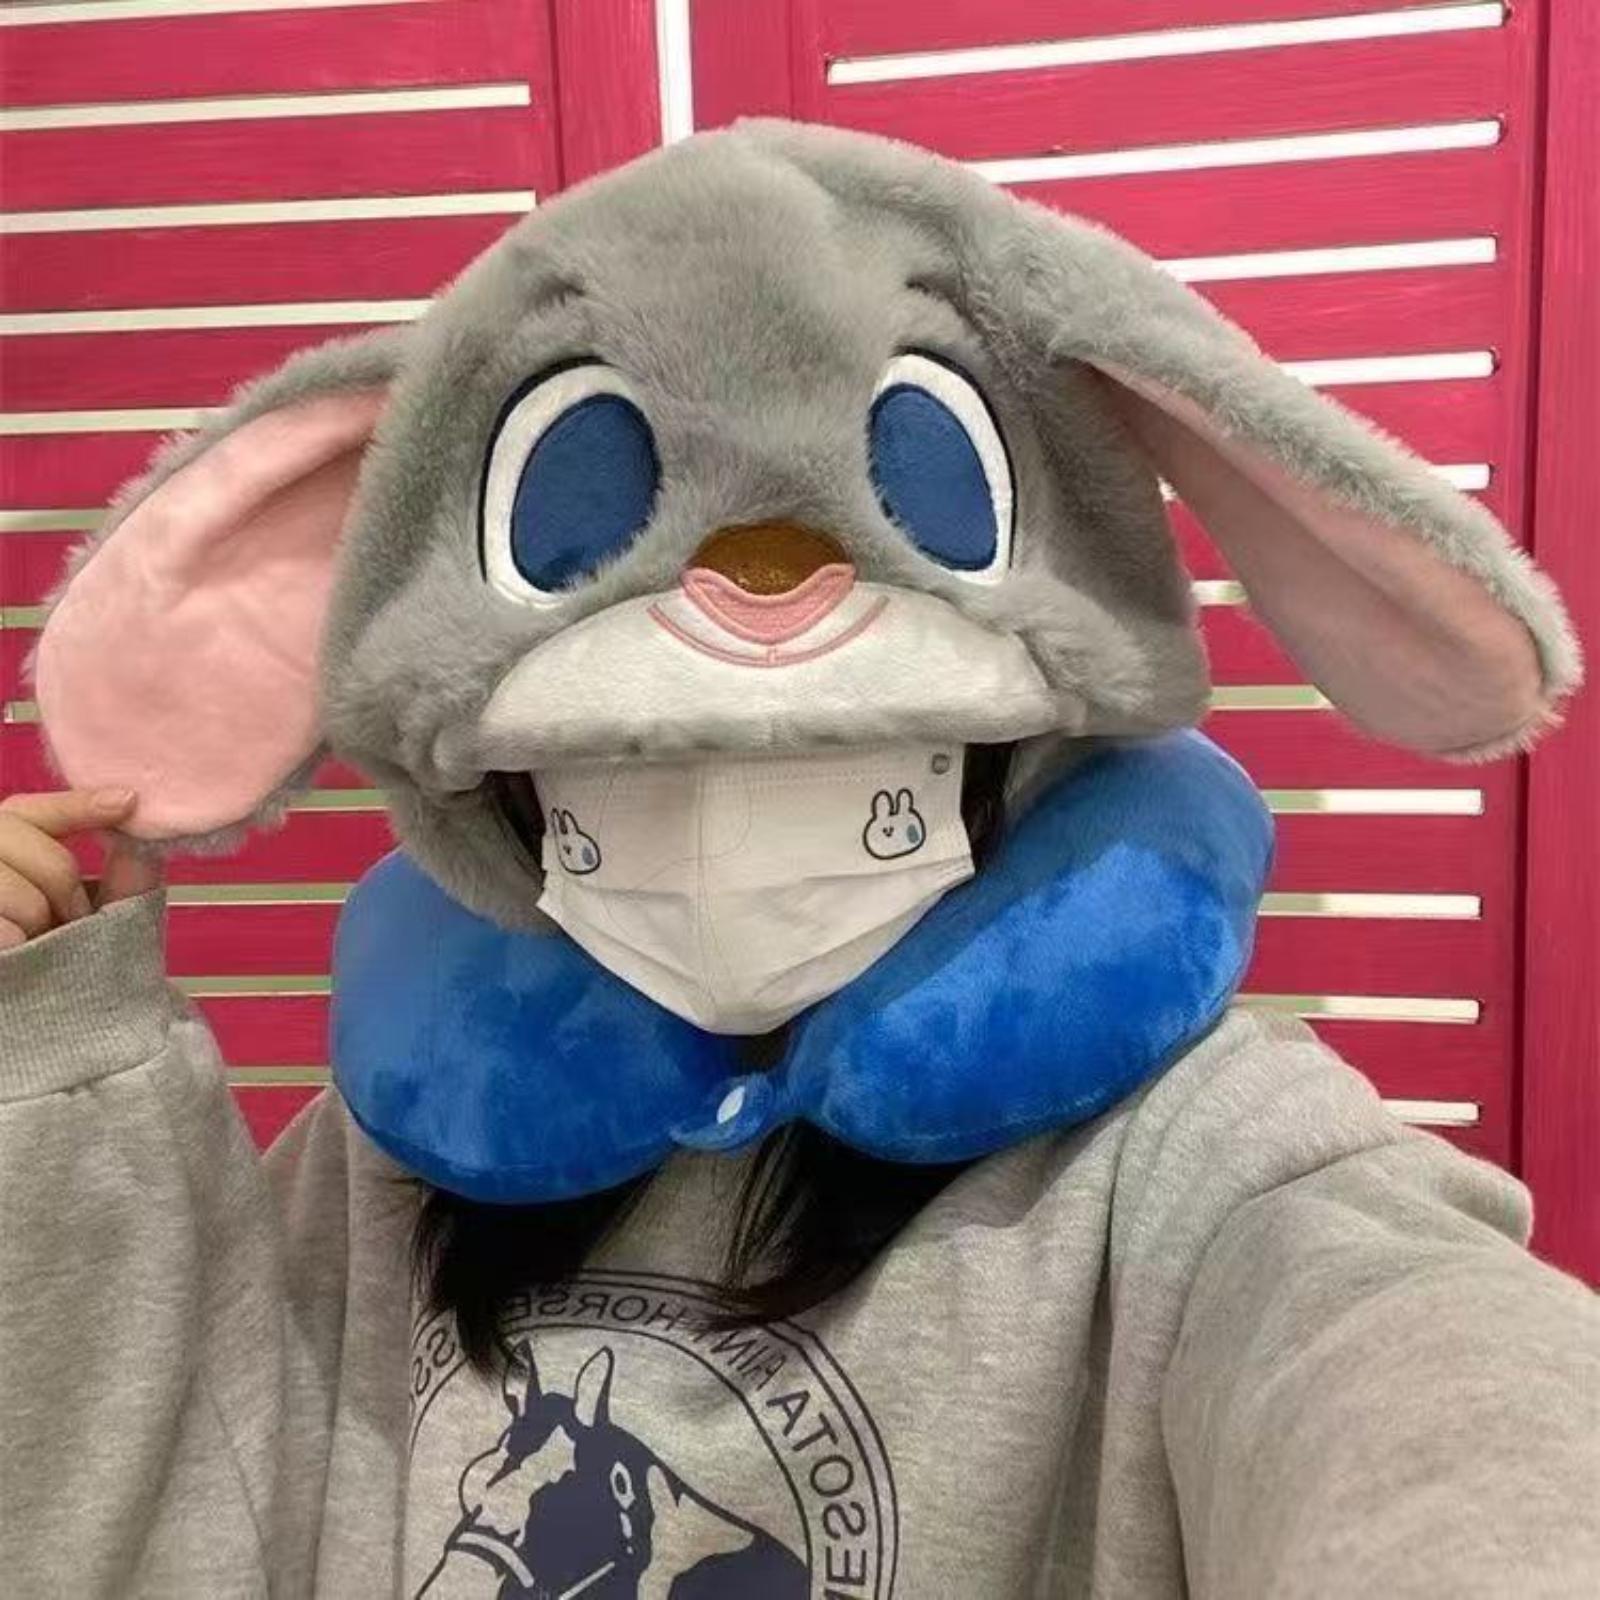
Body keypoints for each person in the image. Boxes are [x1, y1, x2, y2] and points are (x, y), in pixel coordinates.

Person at [2, 121, 1597, 1598]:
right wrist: (56, 1084)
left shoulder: (1195, 1158)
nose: (728, 809)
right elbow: (181, 1492)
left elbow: (1433, 1379)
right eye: (634, 761)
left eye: (854, 754)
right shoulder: (407, 1153)